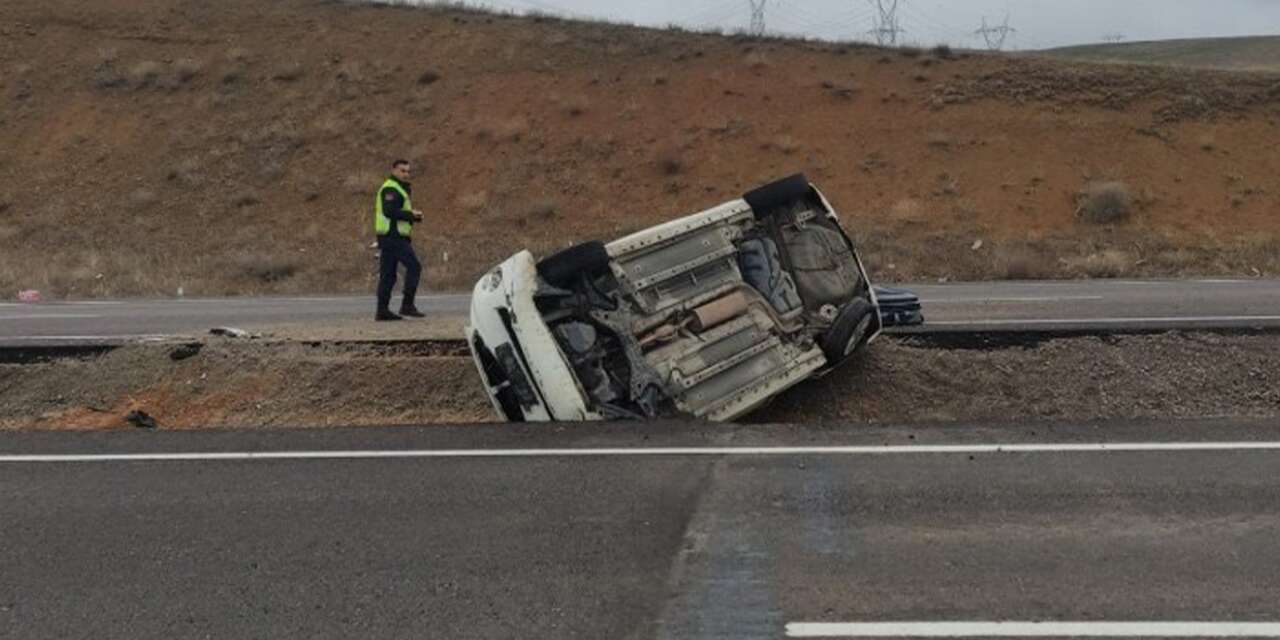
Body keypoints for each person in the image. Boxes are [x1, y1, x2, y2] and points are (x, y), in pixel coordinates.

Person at [373, 159, 425, 321]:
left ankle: (382, 311)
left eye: (408, 171)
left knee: (388, 275)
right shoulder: (391, 188)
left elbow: (395, 211)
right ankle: (407, 306)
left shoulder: (398, 188)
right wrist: (411, 215)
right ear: (394, 170)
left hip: (391, 236)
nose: (406, 174)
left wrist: (413, 217)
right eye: (402, 171)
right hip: (393, 236)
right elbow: (389, 211)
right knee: (414, 267)